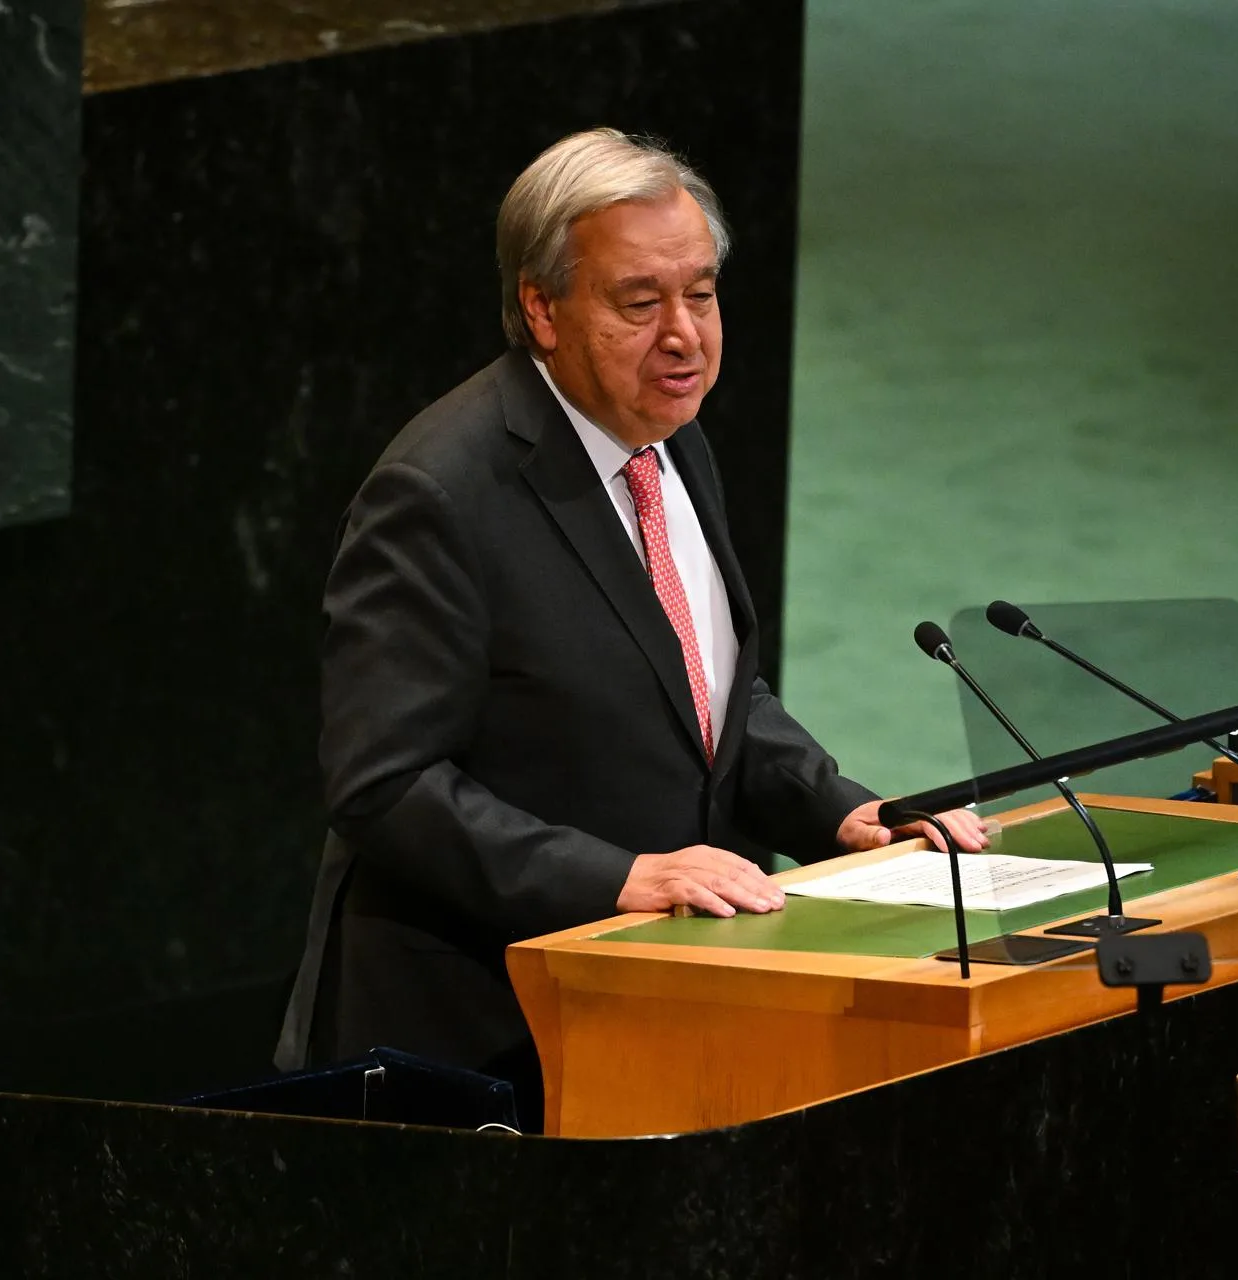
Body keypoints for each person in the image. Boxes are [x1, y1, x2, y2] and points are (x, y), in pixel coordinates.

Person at [273, 129, 984, 1115]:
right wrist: (621, 877)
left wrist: (839, 810)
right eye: (641, 302)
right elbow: (384, 785)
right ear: (542, 308)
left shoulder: (671, 442)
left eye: (701, 292)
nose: (684, 334)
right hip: (484, 1042)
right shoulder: (439, 492)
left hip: (671, 1002)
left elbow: (709, 694)